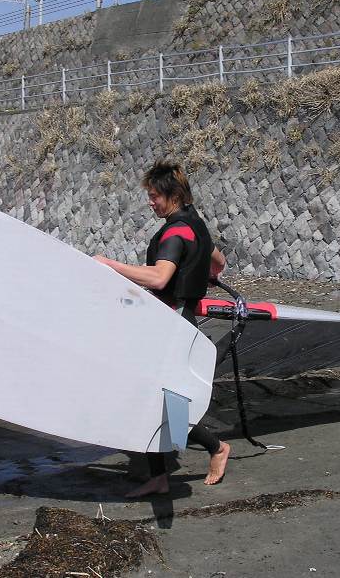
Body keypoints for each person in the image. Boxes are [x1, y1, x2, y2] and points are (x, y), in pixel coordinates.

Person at [94, 159, 230, 497]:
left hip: (172, 323)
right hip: (177, 320)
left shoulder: (174, 233)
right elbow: (219, 262)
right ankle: (159, 475)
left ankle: (216, 448)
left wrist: (108, 265)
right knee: (154, 398)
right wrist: (201, 273)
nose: (150, 202)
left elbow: (158, 277)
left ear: (173, 195)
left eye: (155, 196)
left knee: (163, 401)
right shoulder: (195, 225)